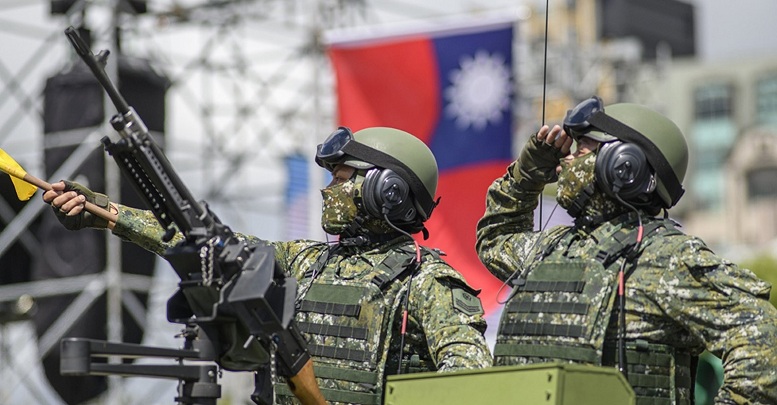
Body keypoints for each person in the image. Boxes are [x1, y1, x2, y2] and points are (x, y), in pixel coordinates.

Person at [45, 126, 492, 404]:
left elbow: (471, 389)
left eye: (340, 178)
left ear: (386, 190)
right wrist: (104, 213)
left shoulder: (427, 283)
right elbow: (210, 246)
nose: (327, 190)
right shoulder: (307, 261)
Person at [475, 96, 777, 404]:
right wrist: (528, 172)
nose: (566, 160)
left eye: (581, 149)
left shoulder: (667, 257)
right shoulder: (554, 247)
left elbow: (763, 340)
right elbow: (496, 236)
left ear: (623, 164)